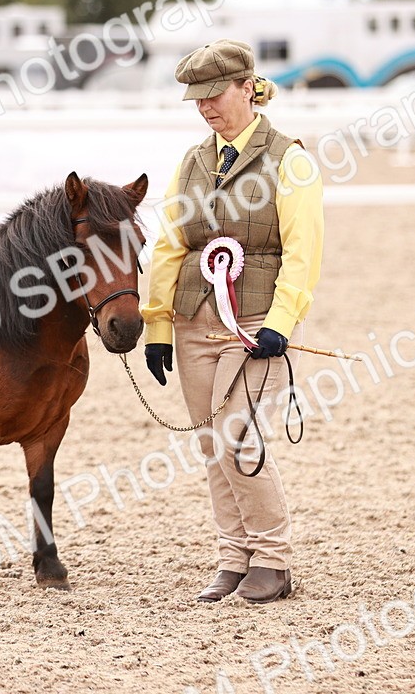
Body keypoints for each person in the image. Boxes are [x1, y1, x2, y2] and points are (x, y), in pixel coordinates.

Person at [141, 39, 323, 604]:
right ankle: (234, 558)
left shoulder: (289, 158)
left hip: (254, 324)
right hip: (195, 320)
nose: (206, 107)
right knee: (209, 444)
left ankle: (273, 559)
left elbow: (303, 247)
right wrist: (158, 326)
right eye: (197, 99)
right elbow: (171, 244)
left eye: (215, 95)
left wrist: (284, 320)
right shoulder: (193, 162)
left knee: (238, 437)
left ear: (249, 87)